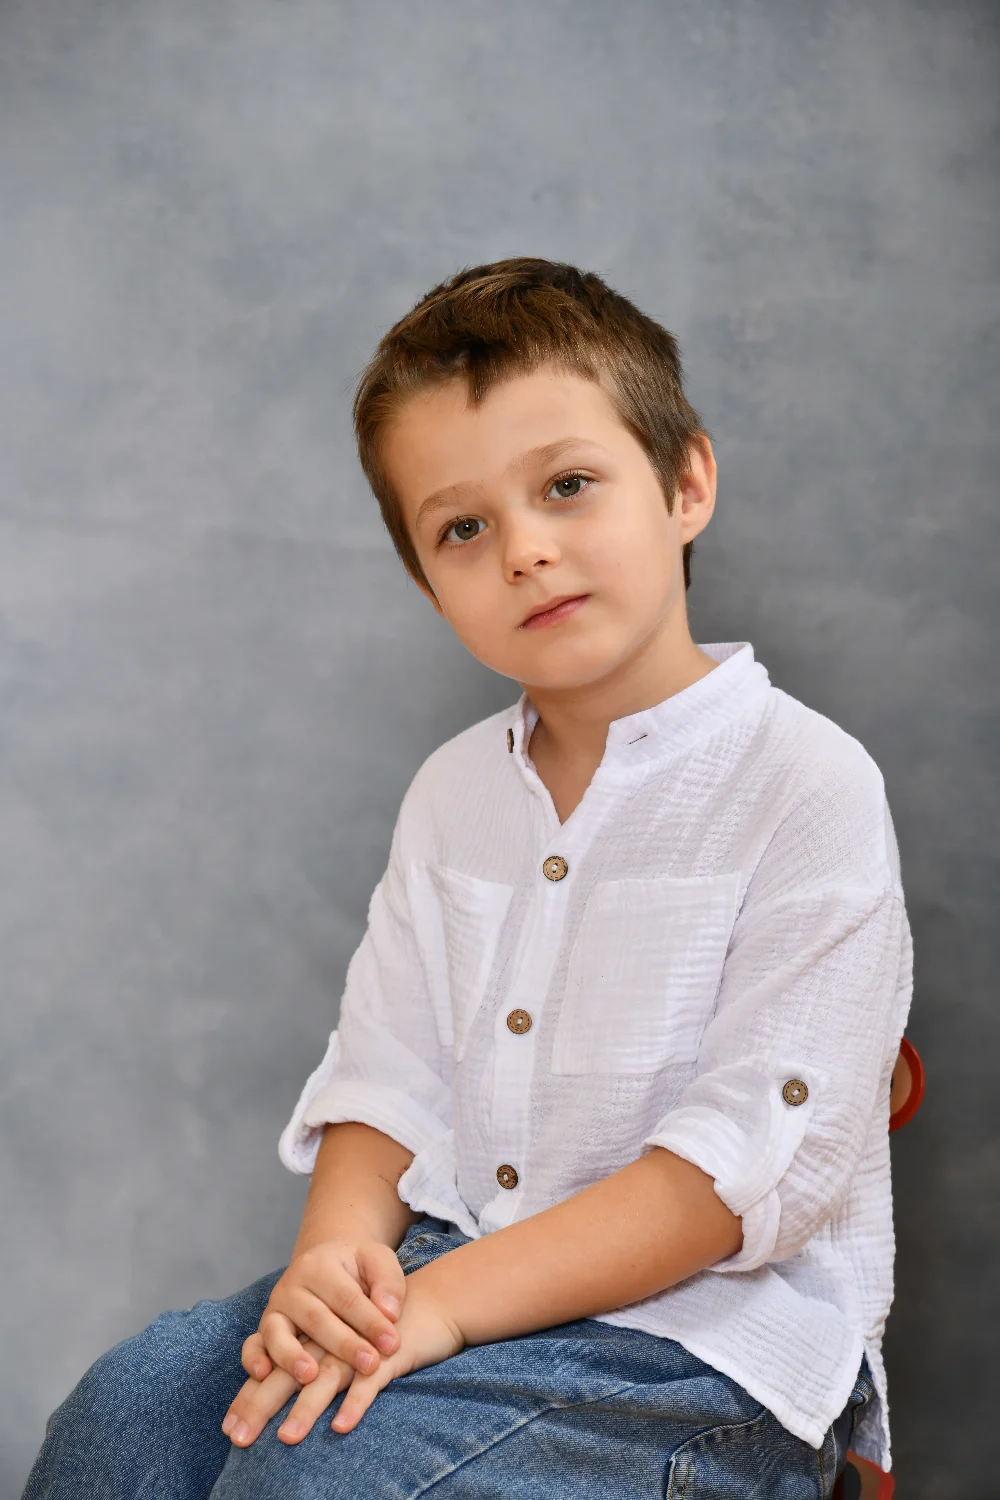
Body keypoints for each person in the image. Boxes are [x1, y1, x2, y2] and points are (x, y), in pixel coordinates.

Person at [23, 259, 911, 1499]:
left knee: (316, 1473)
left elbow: (729, 1181)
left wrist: (442, 1307)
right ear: (427, 582)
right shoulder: (453, 793)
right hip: (450, 1270)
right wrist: (336, 1263)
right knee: (127, 1414)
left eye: (566, 487)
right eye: (463, 528)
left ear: (685, 484)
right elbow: (386, 1074)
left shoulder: (804, 783)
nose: (525, 551)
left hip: (701, 1359)